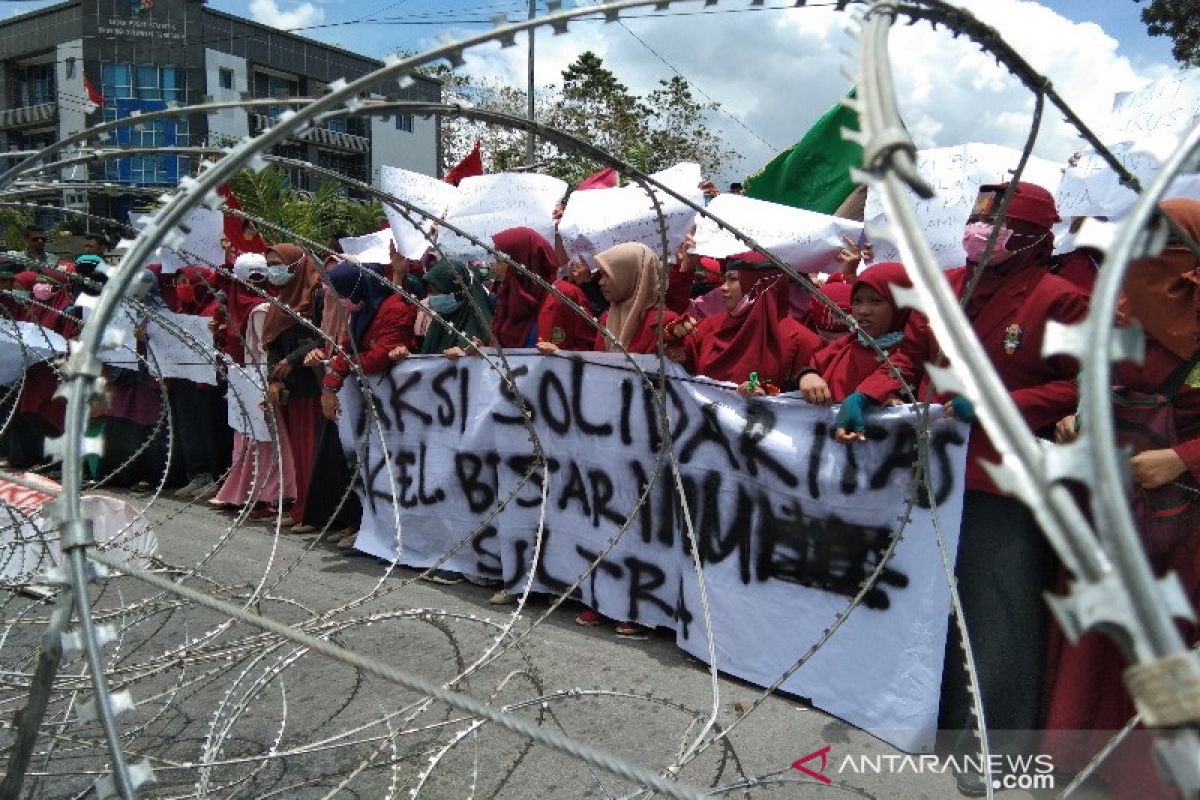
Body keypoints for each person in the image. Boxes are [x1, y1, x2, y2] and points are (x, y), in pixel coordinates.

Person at [834, 182, 1088, 794]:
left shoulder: (1064, 302)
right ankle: (933, 724)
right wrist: (868, 395)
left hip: (1002, 479)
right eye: (974, 219)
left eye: (992, 222)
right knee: (932, 606)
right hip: (933, 471)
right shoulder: (949, 287)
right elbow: (912, 357)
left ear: (1031, 237)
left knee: (996, 613)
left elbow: (1082, 385)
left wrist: (1004, 404)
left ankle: (994, 750)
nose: (978, 231)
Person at [1043, 199, 1200, 799]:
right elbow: (1101, 380)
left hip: (1179, 512)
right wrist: (1076, 418)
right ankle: (1074, 754)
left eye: (1166, 240)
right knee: (1094, 634)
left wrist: (1184, 458)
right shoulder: (1131, 304)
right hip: (1110, 498)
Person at [210, 253, 298, 518]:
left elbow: (262, 350)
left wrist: (265, 382)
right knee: (247, 438)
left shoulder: (259, 309)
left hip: (257, 379)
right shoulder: (242, 306)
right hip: (244, 378)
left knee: (264, 439)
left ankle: (269, 495)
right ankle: (245, 492)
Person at [679, 251, 822, 394]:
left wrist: (805, 376)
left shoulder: (800, 340)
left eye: (732, 279)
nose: (723, 287)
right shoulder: (708, 328)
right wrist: (673, 333)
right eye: (724, 279)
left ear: (757, 284)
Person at [261, 243, 323, 526]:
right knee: (298, 453)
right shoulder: (279, 303)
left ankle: (313, 511)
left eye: (279, 264)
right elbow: (271, 344)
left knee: (313, 452)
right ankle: (301, 507)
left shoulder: (315, 298)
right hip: (292, 389)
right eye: (270, 264)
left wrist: (293, 358)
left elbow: (325, 337)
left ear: (297, 265)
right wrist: (274, 379)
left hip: (314, 385)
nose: (274, 270)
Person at [798, 261, 912, 404]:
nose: (863, 311)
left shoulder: (912, 356)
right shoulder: (847, 344)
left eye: (875, 301)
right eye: (857, 301)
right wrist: (808, 376)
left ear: (901, 304)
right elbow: (812, 366)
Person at [489, 227, 559, 348]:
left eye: (499, 260)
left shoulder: (560, 298)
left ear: (522, 261)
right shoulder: (508, 298)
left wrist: (560, 353)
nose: (495, 267)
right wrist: (478, 352)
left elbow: (588, 351)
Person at [418, 259, 493, 356]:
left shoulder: (483, 329)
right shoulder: (439, 323)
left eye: (438, 292)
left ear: (458, 292)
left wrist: (468, 355)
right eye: (430, 291)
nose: (432, 297)